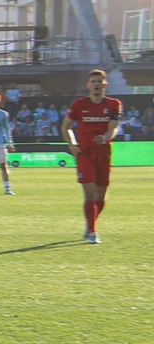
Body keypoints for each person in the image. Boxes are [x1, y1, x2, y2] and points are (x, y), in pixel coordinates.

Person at [61, 69, 122, 244]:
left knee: (101, 197)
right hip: (85, 154)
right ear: (88, 85)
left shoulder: (114, 104)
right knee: (90, 193)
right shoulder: (79, 104)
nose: (96, 84)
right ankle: (93, 231)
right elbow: (66, 127)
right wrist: (72, 144)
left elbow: (113, 128)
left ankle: (90, 223)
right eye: (93, 81)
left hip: (103, 154)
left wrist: (105, 137)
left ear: (105, 84)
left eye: (99, 81)